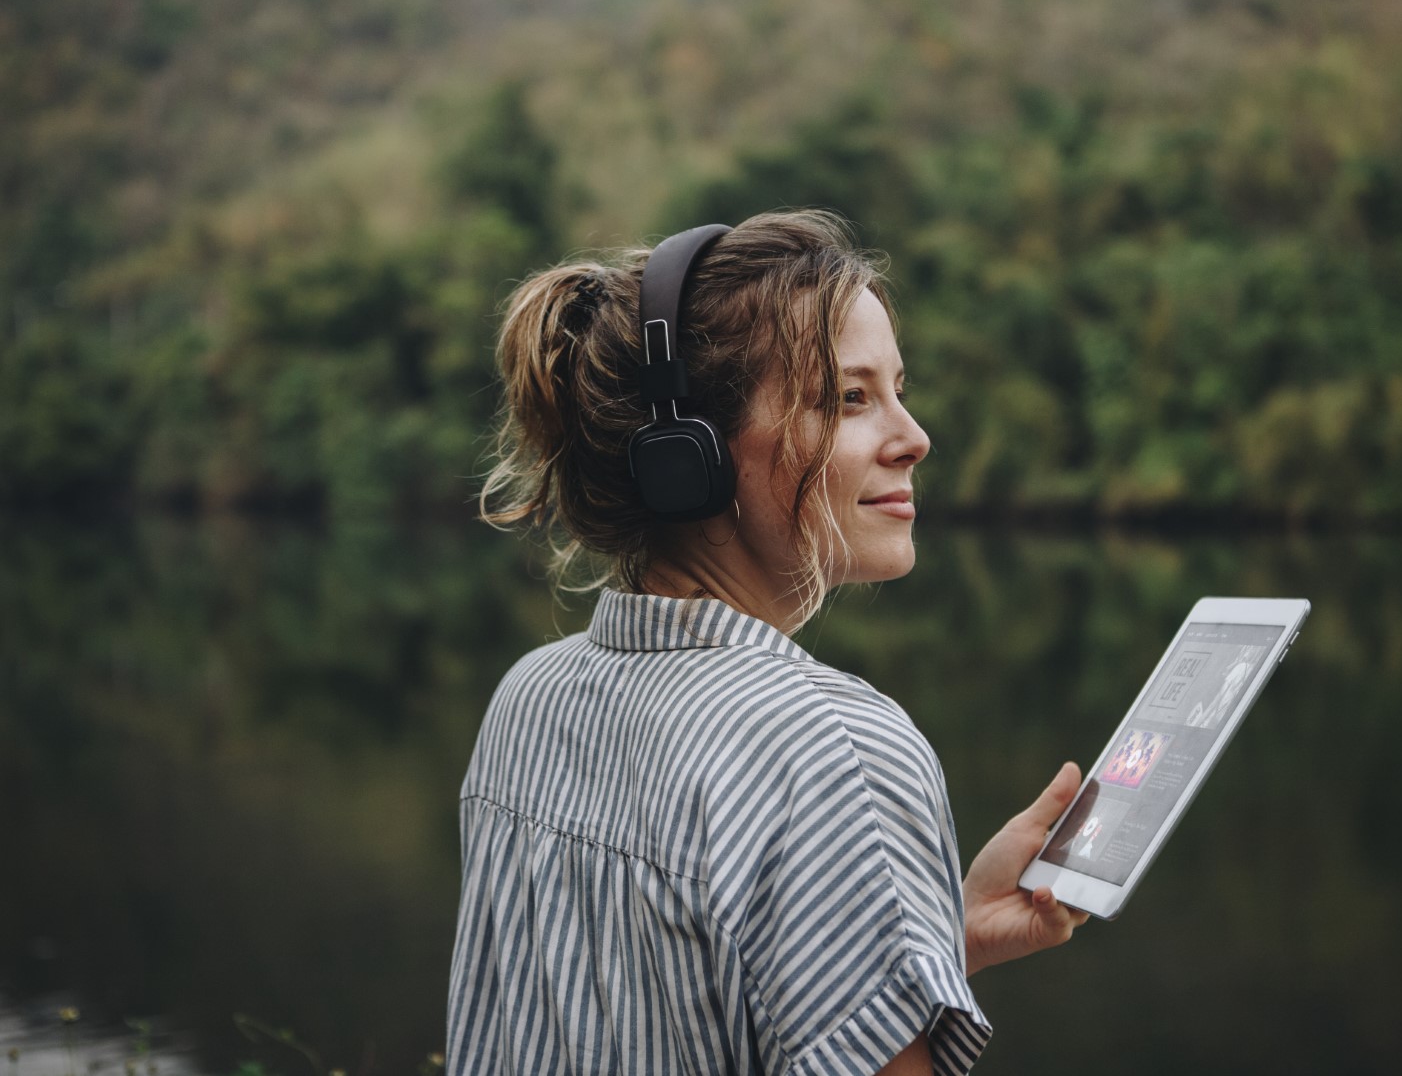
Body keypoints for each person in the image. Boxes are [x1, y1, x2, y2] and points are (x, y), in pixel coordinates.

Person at [448, 210, 1088, 1075]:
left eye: (899, 389)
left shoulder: (531, 696)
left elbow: (650, 1005)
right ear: (692, 455)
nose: (914, 438)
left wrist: (939, 935)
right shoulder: (835, 748)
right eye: (850, 398)